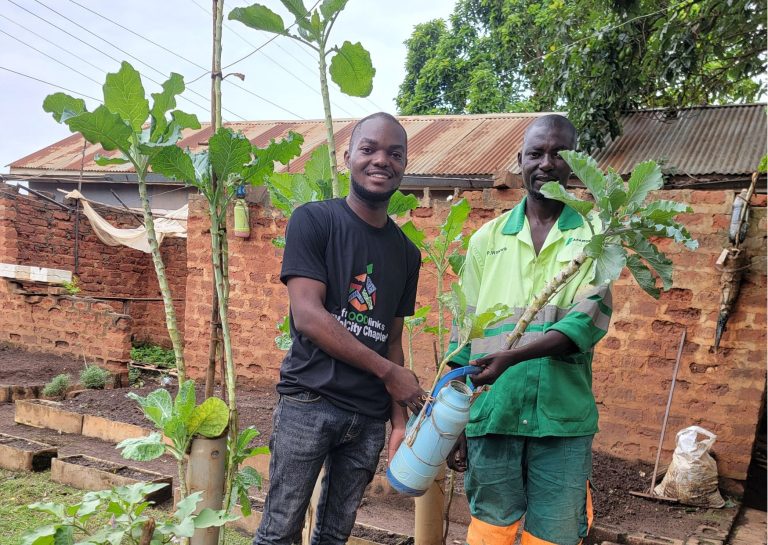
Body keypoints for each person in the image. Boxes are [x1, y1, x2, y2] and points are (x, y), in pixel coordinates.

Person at [253, 112, 425, 545]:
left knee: (335, 536)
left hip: (367, 418)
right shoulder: (314, 221)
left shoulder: (408, 254)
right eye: (369, 149)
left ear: (405, 164)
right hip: (310, 402)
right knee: (279, 532)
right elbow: (309, 317)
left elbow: (393, 340)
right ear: (347, 156)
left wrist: (398, 422)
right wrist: (389, 375)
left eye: (394, 153)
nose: (381, 160)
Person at [446, 115, 613, 545]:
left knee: (555, 532)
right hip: (493, 412)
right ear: (519, 159)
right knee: (491, 528)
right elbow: (462, 335)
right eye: (536, 153)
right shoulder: (487, 238)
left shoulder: (595, 238)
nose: (546, 162)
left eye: (558, 154)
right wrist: (452, 423)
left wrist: (512, 357)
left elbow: (585, 323)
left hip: (561, 421)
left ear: (573, 165)